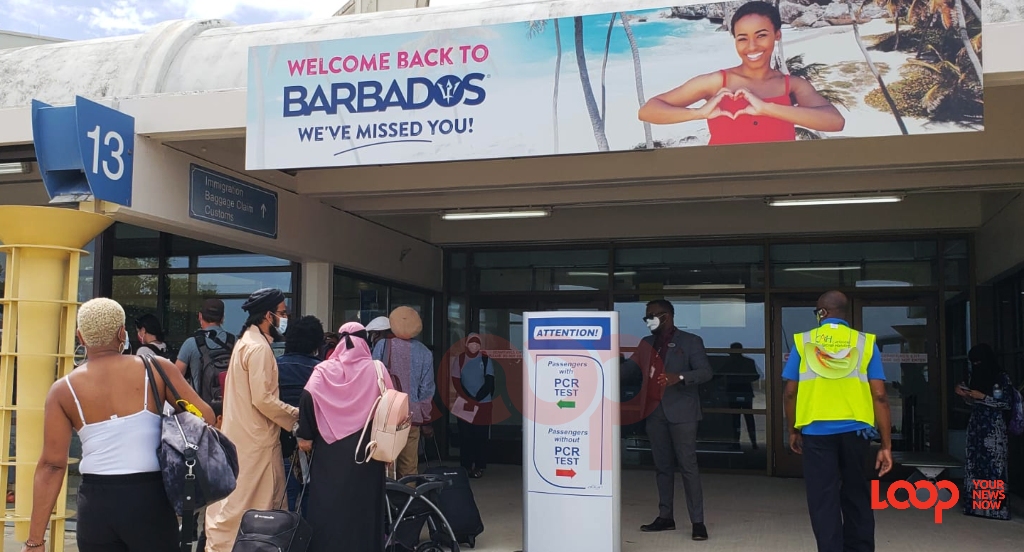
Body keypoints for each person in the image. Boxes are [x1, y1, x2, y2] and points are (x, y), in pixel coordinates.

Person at [21, 298, 214, 552]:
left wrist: (36, 540)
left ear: (81, 337)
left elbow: (52, 466)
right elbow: (206, 417)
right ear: (122, 333)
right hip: (149, 499)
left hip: (96, 504)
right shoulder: (156, 369)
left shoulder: (63, 390)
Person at [638, 1, 844, 145]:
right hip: (725, 179)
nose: (752, 46)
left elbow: (835, 122)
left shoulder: (794, 85)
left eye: (761, 35)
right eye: (742, 38)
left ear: (777, 35)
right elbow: (648, 111)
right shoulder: (717, 82)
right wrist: (698, 113)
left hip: (779, 177)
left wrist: (766, 109)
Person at [783, 291, 893, 552]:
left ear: (822, 313)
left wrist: (793, 429)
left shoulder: (803, 342)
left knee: (823, 499)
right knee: (857, 495)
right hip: (856, 432)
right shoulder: (865, 342)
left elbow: (790, 392)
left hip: (816, 433)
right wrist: (886, 445)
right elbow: (879, 394)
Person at [204, 288, 300, 552]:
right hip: (256, 440)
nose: (285, 317)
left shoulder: (246, 342)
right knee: (250, 506)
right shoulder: (258, 348)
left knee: (237, 502)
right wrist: (296, 417)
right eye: (282, 313)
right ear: (268, 315)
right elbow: (263, 399)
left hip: (244, 435)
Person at [297, 322, 396, 552]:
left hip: (329, 452)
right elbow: (392, 404)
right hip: (368, 452)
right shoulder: (377, 369)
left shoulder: (323, 370)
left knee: (328, 507)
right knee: (365, 509)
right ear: (365, 341)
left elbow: (307, 398)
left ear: (340, 342)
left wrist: (306, 435)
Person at [622, 299, 713, 541]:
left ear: (668, 315)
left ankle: (698, 522)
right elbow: (627, 371)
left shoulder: (691, 341)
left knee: (688, 466)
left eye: (653, 315)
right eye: (646, 317)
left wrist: (680, 376)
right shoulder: (646, 344)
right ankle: (666, 517)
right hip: (654, 413)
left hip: (682, 412)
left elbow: (705, 372)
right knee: (662, 467)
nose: (649, 320)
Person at [373, 306, 436, 479]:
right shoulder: (424, 352)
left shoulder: (382, 345)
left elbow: (373, 377)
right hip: (411, 416)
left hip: (385, 414)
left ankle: (387, 504)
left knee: (385, 466)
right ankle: (409, 502)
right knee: (409, 467)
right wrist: (425, 417)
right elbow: (427, 388)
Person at [957, 344, 1013, 520]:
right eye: (973, 362)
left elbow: (1006, 403)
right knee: (975, 466)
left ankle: (996, 509)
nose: (976, 365)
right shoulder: (976, 377)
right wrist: (966, 395)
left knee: (994, 468)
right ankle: (975, 507)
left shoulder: (1002, 378)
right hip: (976, 426)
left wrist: (983, 397)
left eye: (979, 362)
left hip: (994, 428)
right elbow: (975, 403)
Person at [277, 315, 325, 513]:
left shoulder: (275, 366)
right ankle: (306, 541)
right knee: (310, 498)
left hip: (280, 442)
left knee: (283, 499)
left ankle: (282, 542)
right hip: (313, 443)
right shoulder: (321, 370)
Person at [451, 333, 494, 478]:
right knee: (466, 436)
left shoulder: (486, 359)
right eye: (472, 343)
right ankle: (466, 466)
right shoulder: (460, 359)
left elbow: (489, 382)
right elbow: (456, 381)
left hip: (483, 404)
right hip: (464, 403)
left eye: (477, 343)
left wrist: (477, 398)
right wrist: (468, 398)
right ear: (466, 344)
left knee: (480, 436)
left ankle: (480, 466)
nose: (474, 346)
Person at [175, 298, 236, 394]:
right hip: (229, 406)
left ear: (200, 316)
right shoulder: (234, 342)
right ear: (222, 318)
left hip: (200, 406)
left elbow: (175, 377)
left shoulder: (191, 343)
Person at [721, 343, 760, 449]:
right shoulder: (748, 362)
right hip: (743, 392)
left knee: (736, 419)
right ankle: (753, 443)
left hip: (736, 392)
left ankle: (736, 443)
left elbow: (719, 374)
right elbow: (756, 375)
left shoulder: (728, 363)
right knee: (747, 418)